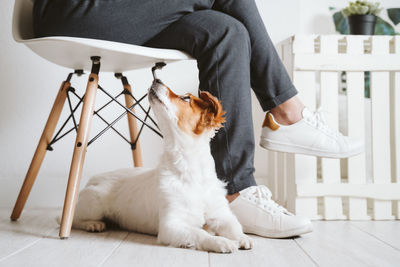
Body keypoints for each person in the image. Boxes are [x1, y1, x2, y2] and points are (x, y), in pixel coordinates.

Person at [33, 0, 363, 238]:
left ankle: (235, 191)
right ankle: (288, 113)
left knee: (227, 31)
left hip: (124, 11)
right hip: (69, 11)